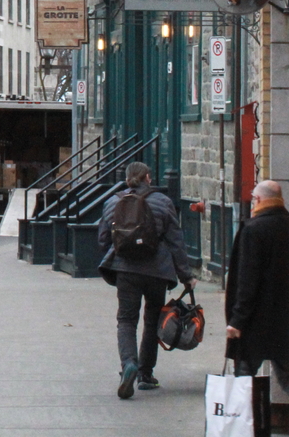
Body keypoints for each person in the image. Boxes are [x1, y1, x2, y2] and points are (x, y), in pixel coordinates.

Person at [97, 162, 194, 399]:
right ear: (148, 178)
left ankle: (128, 363)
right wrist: (186, 276)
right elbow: (175, 242)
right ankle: (145, 373)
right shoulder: (163, 202)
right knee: (152, 320)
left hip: (126, 270)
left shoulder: (113, 202)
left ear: (128, 178)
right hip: (157, 271)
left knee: (126, 320)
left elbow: (102, 239)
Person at [225, 180, 289, 392]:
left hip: (255, 319)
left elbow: (247, 281)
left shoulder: (253, 230)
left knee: (243, 379)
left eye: (253, 198)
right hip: (284, 317)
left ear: (259, 200)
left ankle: (241, 422)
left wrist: (237, 321)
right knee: (288, 375)